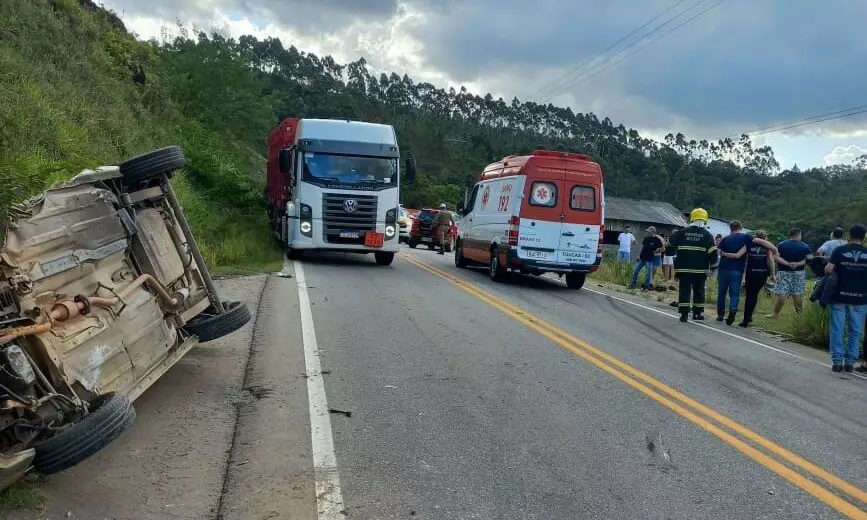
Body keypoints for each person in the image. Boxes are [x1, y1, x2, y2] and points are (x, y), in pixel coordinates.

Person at [716, 221, 778, 325]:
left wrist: (724, 254)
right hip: (742, 271)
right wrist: (774, 249)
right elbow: (769, 259)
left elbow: (723, 253)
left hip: (727, 269)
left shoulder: (726, 239)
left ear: (730, 228)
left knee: (722, 292)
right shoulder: (747, 238)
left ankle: (721, 314)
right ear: (741, 227)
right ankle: (734, 311)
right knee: (736, 294)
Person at [824, 224, 867, 372]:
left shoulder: (840, 250)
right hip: (860, 298)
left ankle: (837, 362)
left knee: (837, 329)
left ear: (849, 235)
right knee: (856, 330)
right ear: (864, 236)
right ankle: (850, 362)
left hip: (839, 296)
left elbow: (829, 269)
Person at [669, 208, 717, 322]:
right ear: (705, 220)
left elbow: (671, 242)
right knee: (699, 290)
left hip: (684, 268)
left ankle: (684, 315)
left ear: (692, 219)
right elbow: (713, 253)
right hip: (700, 270)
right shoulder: (707, 235)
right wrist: (713, 267)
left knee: (684, 290)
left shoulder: (682, 232)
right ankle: (697, 313)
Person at [768, 228, 812, 318]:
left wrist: (787, 263)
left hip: (784, 271)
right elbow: (810, 259)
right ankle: (800, 315)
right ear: (799, 235)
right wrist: (797, 264)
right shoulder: (805, 246)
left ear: (790, 235)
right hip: (799, 272)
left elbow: (775, 257)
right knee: (796, 294)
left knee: (782, 293)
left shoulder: (782, 244)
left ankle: (776, 314)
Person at [739, 229, 776, 328]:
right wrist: (773, 275)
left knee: (749, 295)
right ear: (765, 237)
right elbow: (771, 262)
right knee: (754, 295)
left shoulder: (749, 244)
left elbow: (741, 255)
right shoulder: (767, 247)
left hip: (751, 272)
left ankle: (746, 318)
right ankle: (749, 316)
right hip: (762, 274)